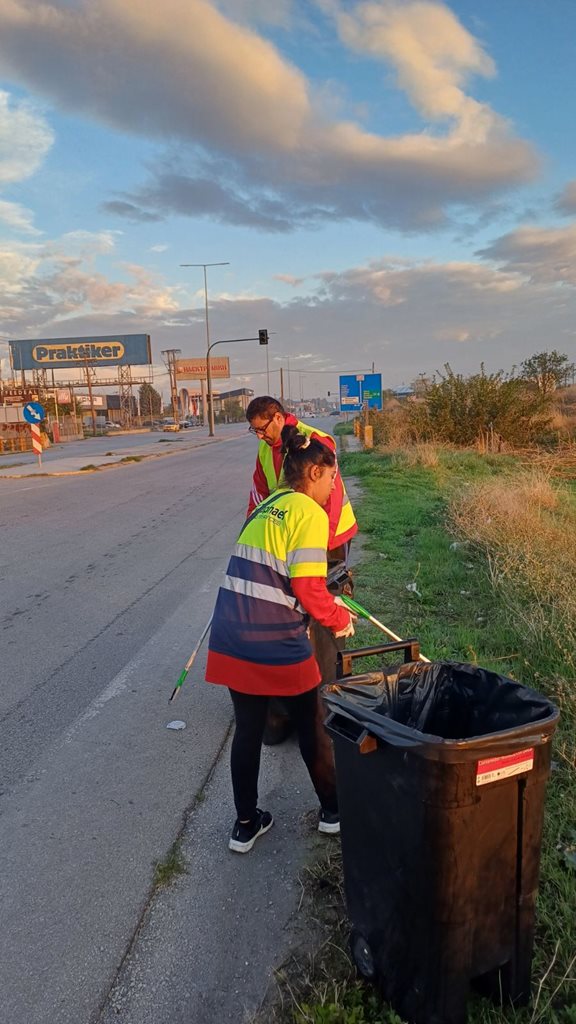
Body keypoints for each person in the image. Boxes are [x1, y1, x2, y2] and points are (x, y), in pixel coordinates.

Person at [205, 425, 356, 853]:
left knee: (248, 732)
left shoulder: (267, 505)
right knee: (312, 724)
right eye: (330, 478)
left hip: (232, 632)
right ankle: (333, 812)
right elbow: (310, 588)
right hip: (274, 637)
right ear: (313, 475)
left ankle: (245, 824)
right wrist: (338, 618)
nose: (332, 488)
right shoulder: (309, 513)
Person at [246, 397, 358, 742]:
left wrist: (314, 554)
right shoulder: (266, 451)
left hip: (327, 537)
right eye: (254, 432)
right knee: (289, 609)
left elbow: (330, 499)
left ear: (278, 417)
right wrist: (253, 540)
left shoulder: (316, 442)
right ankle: (288, 702)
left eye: (262, 429)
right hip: (293, 532)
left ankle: (324, 695)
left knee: (321, 606)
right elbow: (258, 497)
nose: (259, 436)